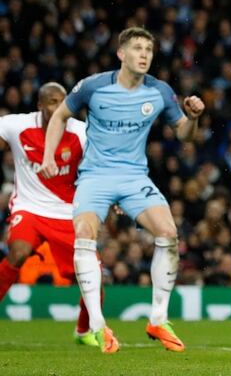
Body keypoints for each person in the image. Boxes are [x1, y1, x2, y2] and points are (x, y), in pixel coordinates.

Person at [42, 27, 206, 354]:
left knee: (168, 232)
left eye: (149, 49)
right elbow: (60, 115)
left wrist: (193, 118)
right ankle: (99, 326)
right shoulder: (93, 86)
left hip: (133, 177)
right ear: (121, 54)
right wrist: (49, 156)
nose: (144, 54)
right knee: (85, 233)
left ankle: (158, 318)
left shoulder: (159, 92)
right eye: (137, 48)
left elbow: (185, 136)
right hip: (96, 176)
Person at [0, 83, 95, 346]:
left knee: (92, 272)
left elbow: (100, 166)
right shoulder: (17, 125)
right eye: (53, 102)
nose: (59, 107)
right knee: (18, 253)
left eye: (63, 101)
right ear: (40, 105)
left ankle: (84, 329)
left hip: (67, 213)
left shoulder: (81, 132)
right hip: (28, 208)